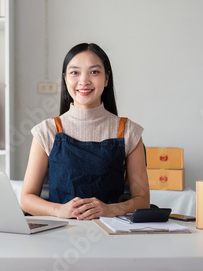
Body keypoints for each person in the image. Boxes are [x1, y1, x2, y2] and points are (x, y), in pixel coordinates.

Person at [21, 43, 150, 220]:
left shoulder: (128, 131)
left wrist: (110, 209)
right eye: (75, 72)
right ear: (65, 79)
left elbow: (143, 201)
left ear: (106, 79)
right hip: (59, 236)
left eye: (94, 72)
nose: (84, 80)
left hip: (112, 236)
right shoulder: (46, 131)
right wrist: (59, 210)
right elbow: (26, 199)